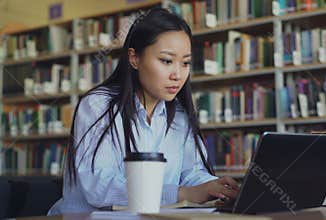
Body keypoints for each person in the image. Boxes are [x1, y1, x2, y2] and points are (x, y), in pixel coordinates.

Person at [48, 8, 239, 215]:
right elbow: (99, 188)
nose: (178, 74)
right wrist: (184, 194)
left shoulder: (179, 115)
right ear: (134, 58)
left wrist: (215, 188)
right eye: (166, 61)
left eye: (185, 63)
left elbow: (191, 174)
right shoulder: (98, 106)